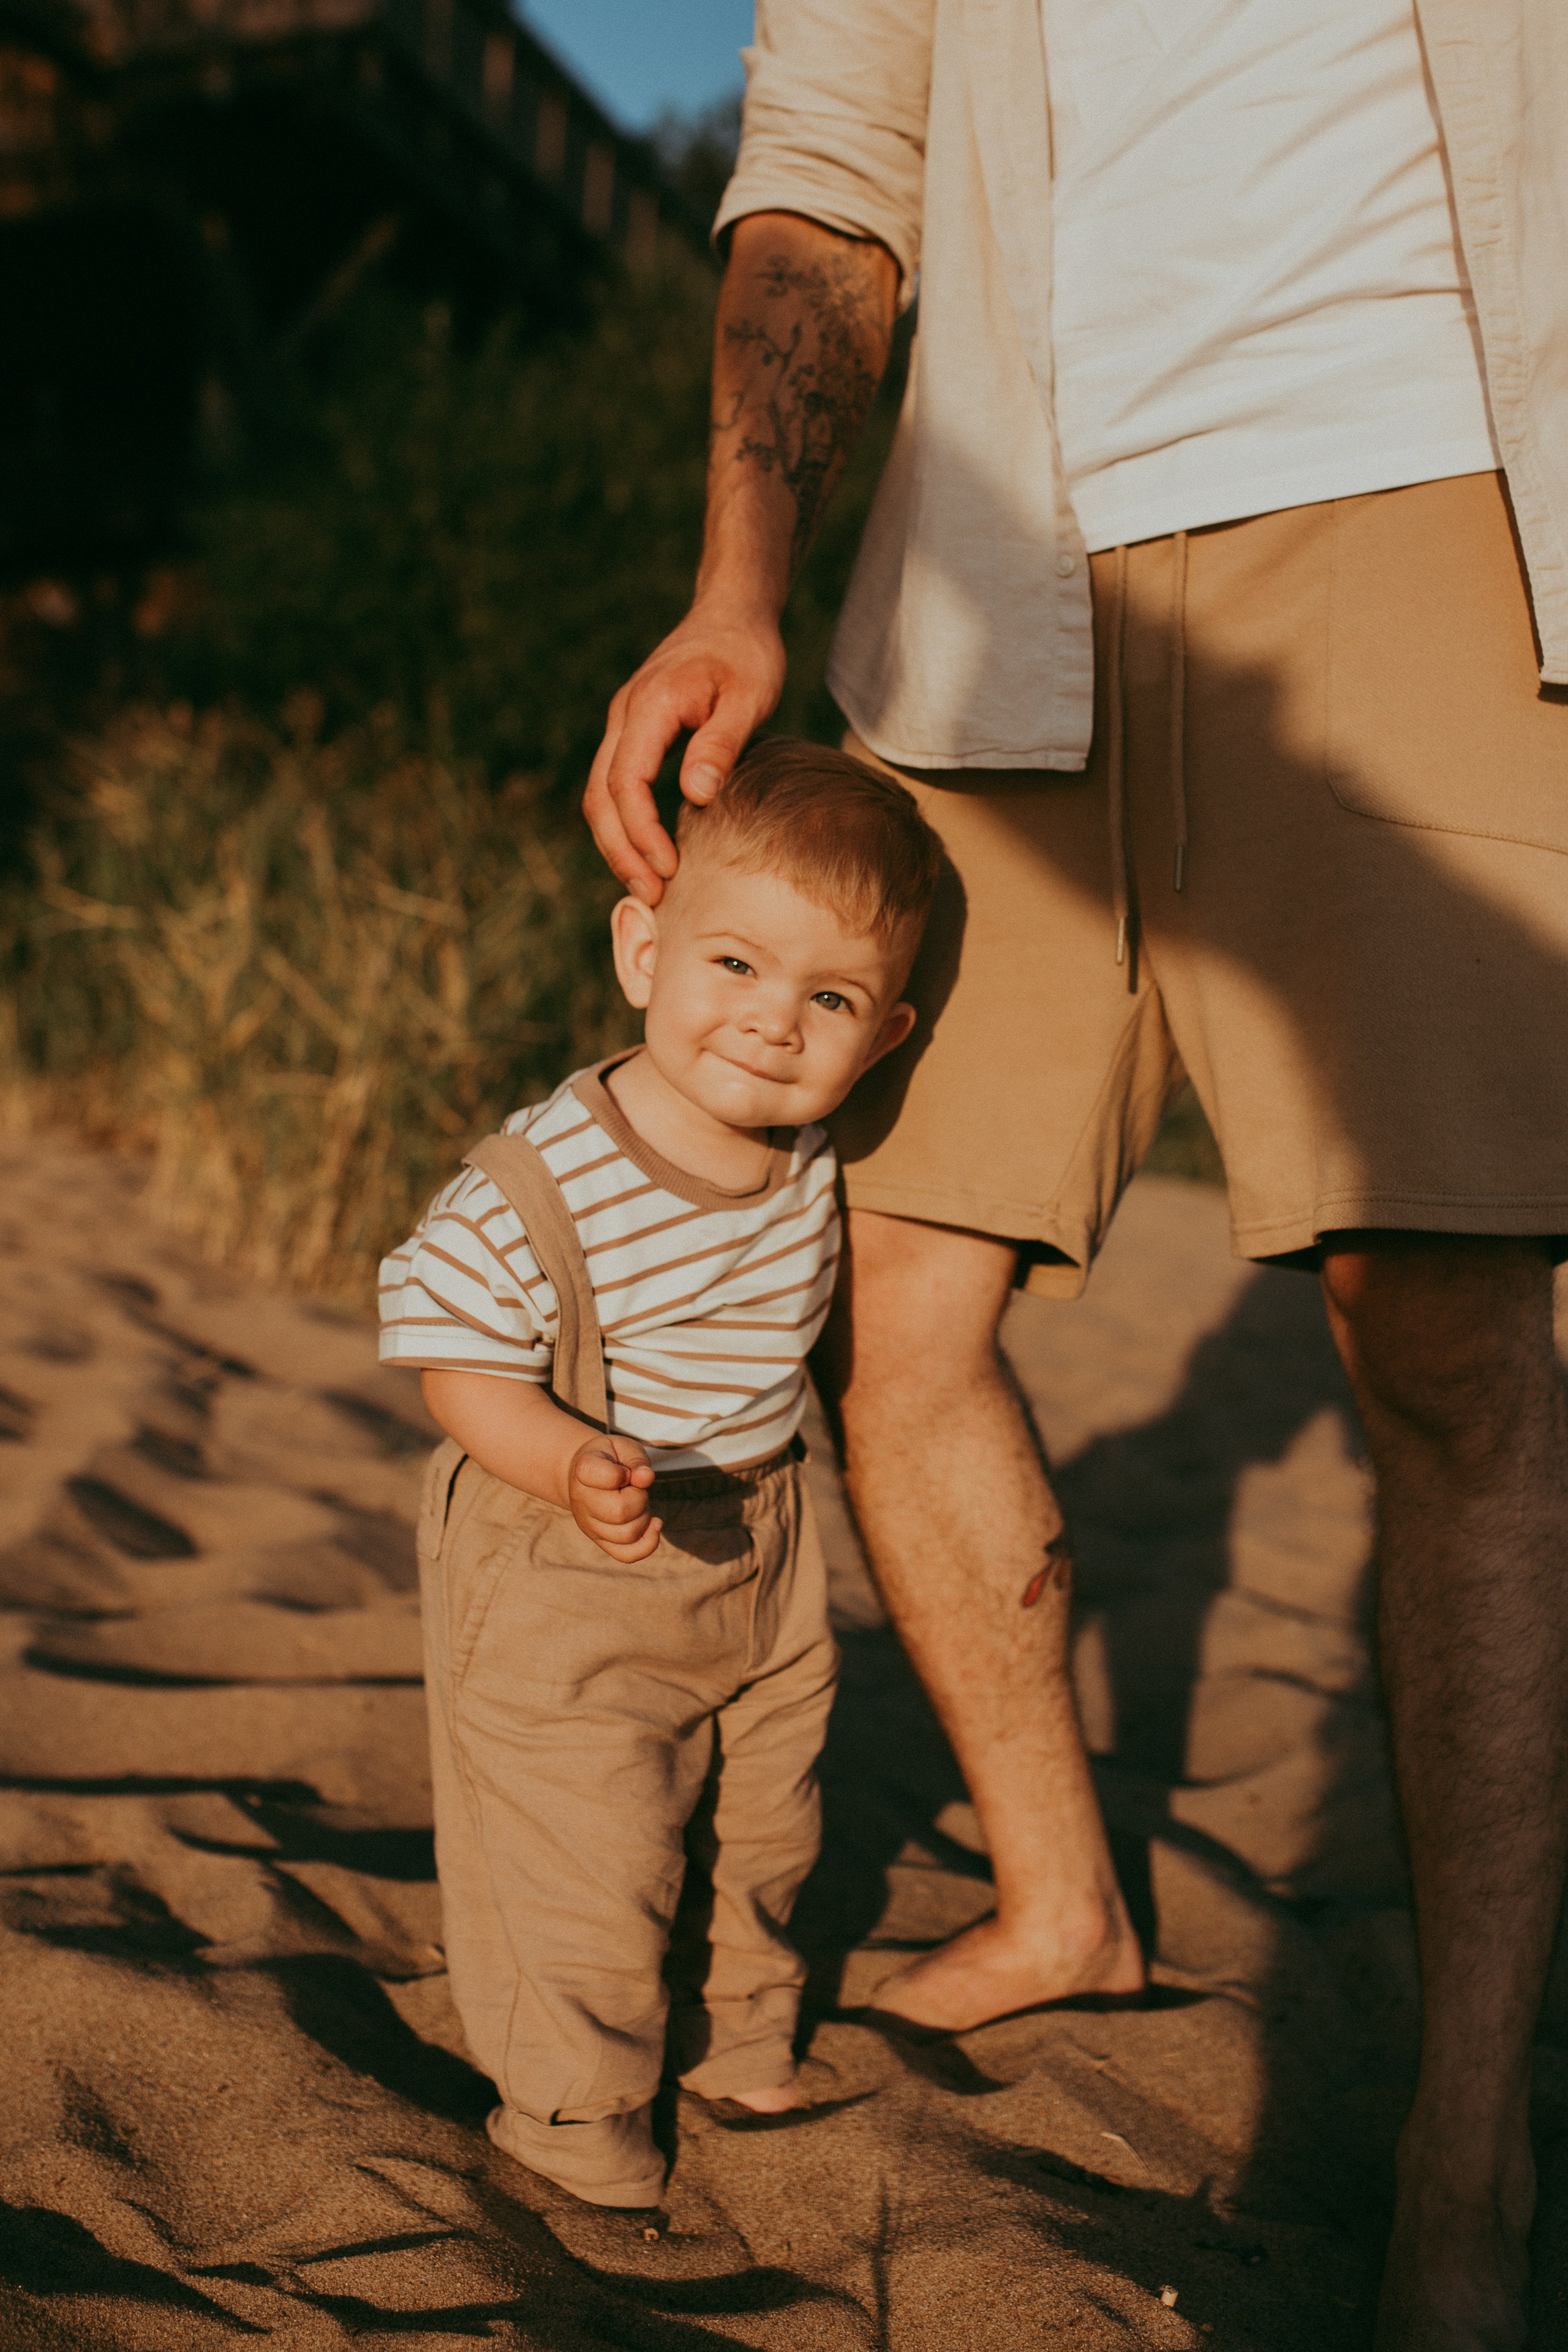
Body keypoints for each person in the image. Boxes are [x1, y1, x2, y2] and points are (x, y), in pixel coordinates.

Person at [582, 5, 1568, 2343]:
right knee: (882, 1290)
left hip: (1435, 493)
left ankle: (1466, 2143)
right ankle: (1063, 1907)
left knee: (1437, 1338)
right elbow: (827, 176)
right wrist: (744, 575)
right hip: (1003, 562)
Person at [379, 741, 939, 2213]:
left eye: (826, 1000)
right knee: (589, 1847)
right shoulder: (542, 1179)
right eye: (735, 965)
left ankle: (740, 2031)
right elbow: (451, 1363)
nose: (770, 1024)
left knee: (766, 1817)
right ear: (643, 947)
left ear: (880, 1038)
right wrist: (566, 1458)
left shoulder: (810, 1148)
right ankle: (570, 2112)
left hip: (763, 1537)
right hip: (568, 1547)